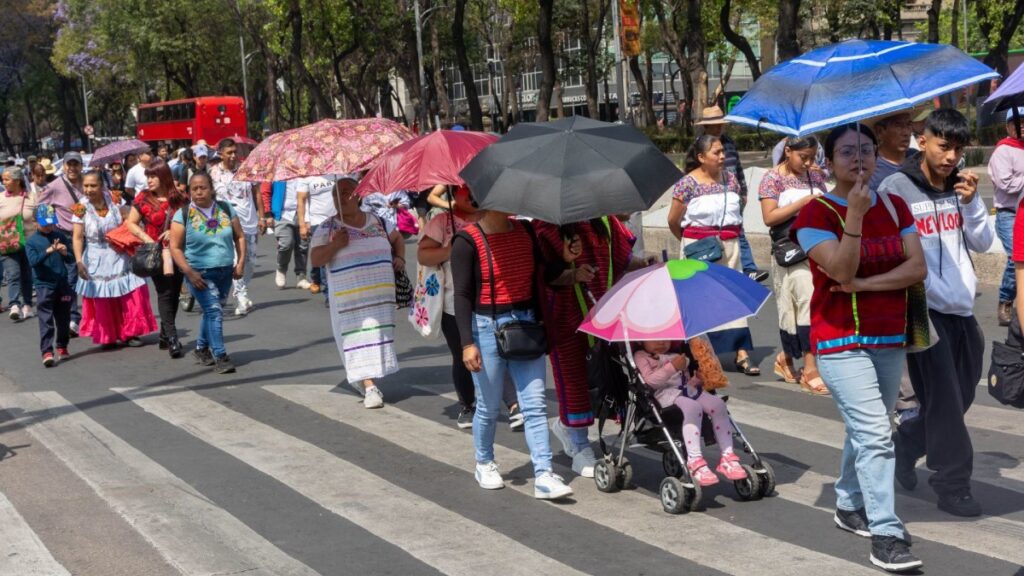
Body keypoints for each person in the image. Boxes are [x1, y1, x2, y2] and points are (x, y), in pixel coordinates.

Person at [792, 123, 926, 573]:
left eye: (866, 149)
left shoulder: (895, 204)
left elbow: (916, 268)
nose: (859, 158)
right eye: (847, 151)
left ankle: (848, 502)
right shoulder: (814, 215)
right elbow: (839, 270)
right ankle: (886, 534)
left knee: (866, 429)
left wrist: (866, 285)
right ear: (829, 162)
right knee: (875, 434)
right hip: (839, 340)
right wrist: (853, 216)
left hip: (889, 335)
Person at [882, 109, 993, 518]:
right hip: (918, 308)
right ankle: (952, 483)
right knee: (945, 400)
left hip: (961, 307)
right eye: (944, 146)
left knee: (961, 395)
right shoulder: (896, 188)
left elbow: (982, 243)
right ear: (922, 140)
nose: (950, 157)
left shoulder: (961, 187)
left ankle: (907, 443)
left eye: (958, 149)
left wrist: (972, 204)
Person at [450, 205, 573, 500]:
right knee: (489, 406)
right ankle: (484, 462)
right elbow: (462, 295)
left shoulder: (526, 231)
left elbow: (544, 274)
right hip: (485, 327)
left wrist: (565, 260)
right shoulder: (467, 240)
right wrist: (467, 343)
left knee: (535, 405)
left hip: (526, 324)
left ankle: (543, 473)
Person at [533, 216, 639, 478]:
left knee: (608, 378)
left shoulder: (606, 221)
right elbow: (542, 274)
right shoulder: (546, 226)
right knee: (574, 382)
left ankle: (566, 426)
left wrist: (646, 264)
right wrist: (571, 271)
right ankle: (580, 447)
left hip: (604, 313)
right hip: (566, 319)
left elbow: (620, 260)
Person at [418, 186, 524, 430]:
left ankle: (514, 405)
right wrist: (449, 250)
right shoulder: (442, 222)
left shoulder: (495, 217)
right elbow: (423, 256)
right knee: (463, 355)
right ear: (455, 194)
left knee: (499, 350)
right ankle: (468, 405)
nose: (473, 194)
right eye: (466, 190)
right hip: (455, 303)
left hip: (493, 300)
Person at [668, 135, 759, 375]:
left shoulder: (730, 179)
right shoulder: (687, 184)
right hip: (699, 248)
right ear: (701, 157)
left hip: (730, 247)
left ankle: (741, 352)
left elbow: (737, 212)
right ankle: (701, 356)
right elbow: (673, 221)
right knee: (700, 302)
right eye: (716, 152)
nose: (722, 156)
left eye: (722, 152)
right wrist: (690, 243)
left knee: (733, 298)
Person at [310, 176, 402, 409]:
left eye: (346, 192)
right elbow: (316, 259)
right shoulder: (327, 228)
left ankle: (366, 379)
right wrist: (335, 245)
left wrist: (400, 258)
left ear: (359, 195)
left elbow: (397, 238)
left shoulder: (378, 221)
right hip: (349, 301)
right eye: (336, 194)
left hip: (380, 300)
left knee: (377, 338)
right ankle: (369, 386)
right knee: (357, 338)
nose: (340, 198)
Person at [759, 136, 829, 394]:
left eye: (812, 157)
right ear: (788, 151)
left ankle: (786, 357)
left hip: (817, 247)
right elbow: (769, 217)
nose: (808, 163)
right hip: (791, 250)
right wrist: (803, 203)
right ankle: (810, 369)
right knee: (804, 304)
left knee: (811, 304)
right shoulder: (772, 178)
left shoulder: (816, 176)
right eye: (803, 157)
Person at [633, 339, 747, 486]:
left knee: (718, 405)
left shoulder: (677, 355)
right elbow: (649, 382)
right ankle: (694, 460)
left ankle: (727, 455)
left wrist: (697, 379)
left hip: (686, 390)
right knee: (693, 407)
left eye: (666, 339)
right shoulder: (641, 356)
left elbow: (684, 381)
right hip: (663, 395)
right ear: (640, 341)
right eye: (655, 339)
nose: (661, 342)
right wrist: (672, 367)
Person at [169, 172, 246, 374]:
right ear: (189, 191)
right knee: (214, 311)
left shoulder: (226, 208)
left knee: (212, 311)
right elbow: (174, 247)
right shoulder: (183, 215)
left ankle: (201, 348)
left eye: (203, 187)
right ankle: (220, 355)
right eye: (194, 188)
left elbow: (239, 236)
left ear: (211, 189)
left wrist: (240, 263)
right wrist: (189, 272)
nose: (199, 192)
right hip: (199, 274)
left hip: (225, 271)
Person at [71, 172, 157, 348]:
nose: (89, 189)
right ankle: (108, 335)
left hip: (120, 253)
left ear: (102, 185)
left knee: (129, 294)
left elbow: (130, 219)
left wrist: (125, 231)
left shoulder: (115, 198)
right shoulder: (80, 208)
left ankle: (130, 333)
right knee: (103, 298)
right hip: (95, 258)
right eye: (86, 186)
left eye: (93, 185)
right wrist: (79, 261)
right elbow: (78, 237)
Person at [696, 105, 768, 283]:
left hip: (733, 194)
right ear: (706, 126)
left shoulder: (729, 142)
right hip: (711, 196)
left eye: (721, 124)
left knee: (738, 230)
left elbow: (738, 168)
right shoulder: (699, 146)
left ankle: (749, 269)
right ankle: (719, 268)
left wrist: (743, 191)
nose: (719, 127)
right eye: (715, 125)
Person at [126, 159, 189, 358]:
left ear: (164, 176)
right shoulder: (143, 198)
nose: (150, 180)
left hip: (178, 251)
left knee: (175, 292)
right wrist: (146, 238)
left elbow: (191, 220)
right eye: (148, 177)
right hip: (156, 253)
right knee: (164, 292)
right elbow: (131, 223)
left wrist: (175, 231)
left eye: (153, 176)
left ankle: (164, 334)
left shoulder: (180, 198)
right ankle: (172, 338)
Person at [209, 138, 264, 316]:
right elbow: (209, 199)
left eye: (235, 152)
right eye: (229, 153)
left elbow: (257, 194)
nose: (233, 155)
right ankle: (241, 296)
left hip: (249, 221)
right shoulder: (213, 173)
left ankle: (242, 290)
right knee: (236, 260)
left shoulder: (247, 169)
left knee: (250, 262)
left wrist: (262, 217)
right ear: (220, 154)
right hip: (227, 223)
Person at [39, 151, 85, 336]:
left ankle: (96, 316)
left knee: (94, 275)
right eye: (69, 164)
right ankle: (73, 318)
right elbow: (42, 208)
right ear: (64, 166)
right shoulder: (54, 186)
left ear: (81, 166)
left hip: (89, 236)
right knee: (72, 277)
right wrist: (50, 230)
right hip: (67, 236)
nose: (72, 168)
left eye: (76, 164)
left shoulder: (87, 182)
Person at [25, 204, 76, 367]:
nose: (48, 227)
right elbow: (33, 262)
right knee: (46, 319)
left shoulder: (59, 236)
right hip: (44, 285)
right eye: (45, 224)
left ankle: (62, 345)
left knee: (64, 318)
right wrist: (48, 251)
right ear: (35, 222)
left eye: (51, 223)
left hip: (62, 283)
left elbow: (71, 259)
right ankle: (47, 351)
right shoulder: (31, 242)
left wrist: (64, 253)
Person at [990, 108, 1024, 326]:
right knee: (1016, 258)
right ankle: (1005, 300)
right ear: (1008, 126)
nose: (1022, 126)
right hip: (1009, 213)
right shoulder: (1003, 150)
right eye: (1017, 122)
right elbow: (1006, 184)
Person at [1, 166, 38, 321]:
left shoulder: (32, 197)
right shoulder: (1, 198)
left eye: (7, 179)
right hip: (7, 243)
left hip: (29, 242)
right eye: (3, 179)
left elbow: (38, 217)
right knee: (13, 274)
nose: (4, 182)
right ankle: (14, 304)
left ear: (17, 181)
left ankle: (27, 305)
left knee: (27, 274)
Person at [297, 175, 337, 296]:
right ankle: (328, 292)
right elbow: (301, 200)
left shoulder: (336, 172)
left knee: (335, 254)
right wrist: (302, 224)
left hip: (336, 219)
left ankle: (320, 279)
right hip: (317, 222)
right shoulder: (306, 176)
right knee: (324, 256)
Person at [270, 179, 311, 290]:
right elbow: (266, 190)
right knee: (286, 244)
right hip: (283, 214)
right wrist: (267, 214)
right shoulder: (279, 173)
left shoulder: (305, 173)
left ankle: (301, 277)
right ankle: (281, 269)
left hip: (303, 212)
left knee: (303, 245)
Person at [868, 113, 913, 193]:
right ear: (880, 131)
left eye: (908, 124)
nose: (906, 133)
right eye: (898, 125)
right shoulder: (870, 171)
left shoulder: (917, 157)